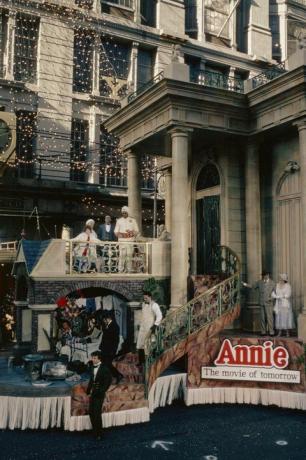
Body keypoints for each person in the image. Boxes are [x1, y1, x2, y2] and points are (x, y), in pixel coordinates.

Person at [86, 351, 112, 440]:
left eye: (94, 358)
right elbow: (91, 379)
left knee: (97, 413)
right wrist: (88, 391)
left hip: (99, 393)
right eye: (92, 358)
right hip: (93, 393)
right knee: (91, 412)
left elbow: (108, 381)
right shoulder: (91, 367)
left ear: (99, 359)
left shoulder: (104, 368)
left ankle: (99, 433)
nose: (92, 359)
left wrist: (102, 391)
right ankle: (95, 431)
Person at [243, 271, 275, 336]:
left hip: (268, 303)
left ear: (268, 275)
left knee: (269, 317)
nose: (264, 277)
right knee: (262, 318)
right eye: (263, 276)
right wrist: (245, 284)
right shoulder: (260, 282)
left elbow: (275, 293)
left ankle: (271, 331)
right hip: (261, 302)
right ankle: (263, 331)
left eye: (265, 275)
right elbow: (252, 286)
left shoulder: (273, 283)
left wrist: (271, 299)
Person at [136, 291, 163, 364]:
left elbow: (159, 315)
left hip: (149, 328)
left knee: (149, 344)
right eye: (144, 298)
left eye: (146, 298)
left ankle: (151, 362)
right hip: (143, 327)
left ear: (150, 297)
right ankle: (141, 362)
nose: (145, 299)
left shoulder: (154, 305)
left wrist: (155, 325)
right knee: (140, 344)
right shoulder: (143, 305)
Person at [99, 311, 123, 384]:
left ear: (107, 318)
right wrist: (101, 347)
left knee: (108, 364)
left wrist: (114, 350)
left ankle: (118, 375)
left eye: (104, 319)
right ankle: (110, 377)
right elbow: (104, 337)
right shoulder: (106, 325)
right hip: (104, 348)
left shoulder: (115, 326)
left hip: (110, 349)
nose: (103, 321)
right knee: (104, 363)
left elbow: (116, 340)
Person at [114, 206, 139, 273]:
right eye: (123, 213)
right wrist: (122, 235)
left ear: (128, 213)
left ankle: (129, 270)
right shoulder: (119, 221)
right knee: (121, 256)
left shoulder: (133, 220)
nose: (124, 214)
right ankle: (120, 270)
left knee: (129, 256)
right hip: (122, 242)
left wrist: (130, 233)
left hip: (130, 242)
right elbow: (116, 232)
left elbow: (136, 231)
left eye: (125, 213)